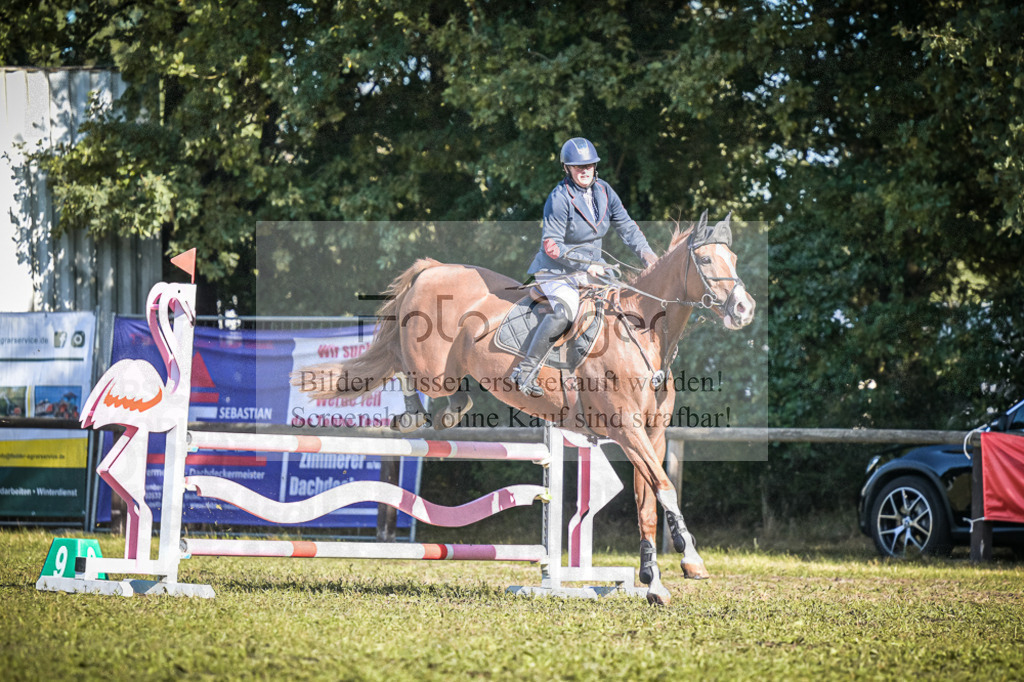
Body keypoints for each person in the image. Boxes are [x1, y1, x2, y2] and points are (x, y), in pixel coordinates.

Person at [510, 137, 658, 398]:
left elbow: (627, 226)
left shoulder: (604, 191)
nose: (585, 170)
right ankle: (526, 370)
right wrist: (586, 264)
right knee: (565, 312)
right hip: (557, 270)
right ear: (567, 168)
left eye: (589, 165)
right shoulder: (559, 198)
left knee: (622, 307)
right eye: (578, 167)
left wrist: (648, 255)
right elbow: (551, 245)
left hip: (594, 269)